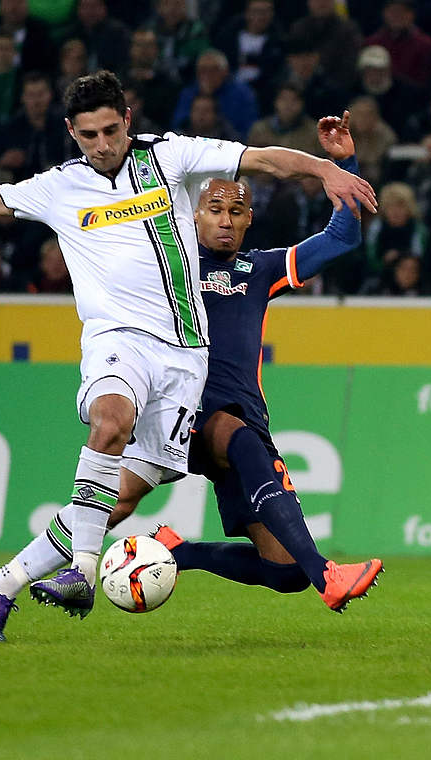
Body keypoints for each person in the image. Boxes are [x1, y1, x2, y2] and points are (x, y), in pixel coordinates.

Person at [0, 70, 375, 642]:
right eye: (88, 136)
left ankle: (3, 582)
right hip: (120, 344)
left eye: (110, 130)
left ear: (127, 120)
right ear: (71, 133)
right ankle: (86, 569)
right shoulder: (59, 187)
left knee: (119, 502)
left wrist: (329, 167)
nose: (102, 146)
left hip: (183, 365)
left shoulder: (178, 169)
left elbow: (267, 163)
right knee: (123, 421)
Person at [101, 112, 382, 611]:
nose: (225, 219)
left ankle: (179, 551)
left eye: (236, 211)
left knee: (282, 571)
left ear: (249, 219)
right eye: (214, 209)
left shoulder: (260, 269)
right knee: (237, 437)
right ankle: (328, 574)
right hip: (187, 415)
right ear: (193, 216)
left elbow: (342, 238)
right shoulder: (170, 265)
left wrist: (345, 162)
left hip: (243, 420)